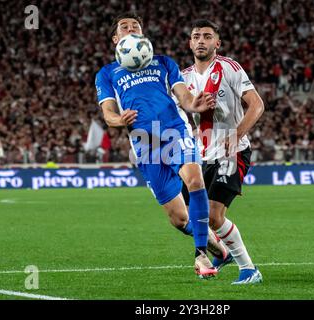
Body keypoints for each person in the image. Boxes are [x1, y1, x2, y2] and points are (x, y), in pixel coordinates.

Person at [95, 12, 225, 278]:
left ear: (142, 36)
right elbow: (108, 113)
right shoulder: (107, 74)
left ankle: (201, 256)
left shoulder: (164, 63)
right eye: (125, 27)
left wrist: (194, 105)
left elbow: (184, 97)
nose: (131, 29)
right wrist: (119, 119)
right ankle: (219, 248)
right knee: (179, 219)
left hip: (175, 132)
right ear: (116, 39)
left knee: (195, 181)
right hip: (145, 145)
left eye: (136, 26)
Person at [180, 19, 265, 284]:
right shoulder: (183, 79)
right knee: (187, 217)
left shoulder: (229, 68)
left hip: (232, 153)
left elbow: (257, 105)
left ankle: (249, 269)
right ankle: (223, 254)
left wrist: (237, 133)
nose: (201, 40)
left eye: (207, 36)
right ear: (190, 43)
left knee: (214, 216)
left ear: (217, 43)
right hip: (200, 157)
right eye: (196, 36)